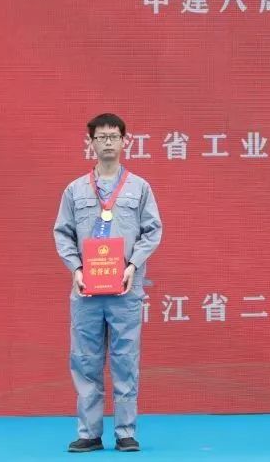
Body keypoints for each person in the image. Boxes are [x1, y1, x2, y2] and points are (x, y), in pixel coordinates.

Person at [54, 113, 163, 453]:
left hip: (125, 290)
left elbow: (152, 231)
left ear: (124, 141)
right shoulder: (75, 190)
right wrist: (76, 268)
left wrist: (133, 265)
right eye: (100, 137)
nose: (107, 143)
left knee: (125, 360)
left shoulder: (139, 187)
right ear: (91, 143)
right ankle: (89, 432)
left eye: (113, 136)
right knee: (85, 360)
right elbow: (62, 233)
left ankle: (125, 431)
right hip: (86, 291)